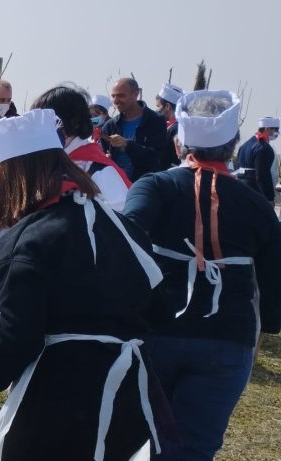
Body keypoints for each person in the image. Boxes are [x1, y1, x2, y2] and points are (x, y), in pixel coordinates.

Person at [0, 108, 165, 460]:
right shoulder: (120, 226)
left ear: (14, 176)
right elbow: (157, 301)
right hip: (128, 389)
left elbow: (18, 330)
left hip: (59, 392)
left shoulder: (31, 239)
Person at [124, 90, 281, 460]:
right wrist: (269, 323)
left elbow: (125, 243)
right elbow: (274, 289)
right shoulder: (257, 205)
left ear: (178, 141)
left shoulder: (153, 187)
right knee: (193, 448)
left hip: (154, 329)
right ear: (232, 146)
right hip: (228, 338)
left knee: (133, 435)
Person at [32, 84, 131, 210]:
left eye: (48, 122)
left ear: (73, 121)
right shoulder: (50, 161)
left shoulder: (97, 168)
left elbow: (122, 213)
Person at [101, 78, 171, 181]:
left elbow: (156, 158)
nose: (116, 100)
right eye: (113, 96)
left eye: (121, 96)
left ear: (135, 94)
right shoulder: (110, 126)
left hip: (144, 187)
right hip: (116, 187)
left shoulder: (155, 121)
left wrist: (127, 145)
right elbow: (101, 155)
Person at [236, 116, 279, 203]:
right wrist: (269, 198)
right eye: (275, 130)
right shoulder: (264, 148)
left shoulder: (244, 145)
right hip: (256, 192)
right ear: (267, 129)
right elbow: (262, 176)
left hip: (241, 189)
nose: (276, 133)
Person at [157, 83, 184, 165]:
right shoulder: (181, 126)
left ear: (167, 106)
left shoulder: (174, 129)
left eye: (158, 106)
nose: (157, 110)